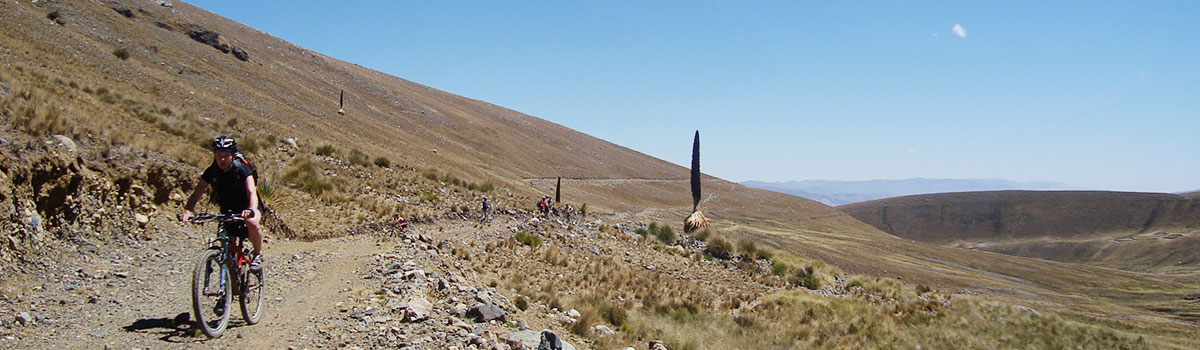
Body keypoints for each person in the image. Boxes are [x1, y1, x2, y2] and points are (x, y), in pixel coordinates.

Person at [179, 136, 264, 269]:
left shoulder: (241, 169)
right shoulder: (211, 171)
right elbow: (197, 193)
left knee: (252, 222)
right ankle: (232, 279)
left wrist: (251, 210)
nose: (222, 159)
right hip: (227, 207)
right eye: (219, 155)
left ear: (233, 155)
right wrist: (188, 210)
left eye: (226, 155)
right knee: (229, 243)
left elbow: (252, 192)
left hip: (248, 205)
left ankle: (257, 255)